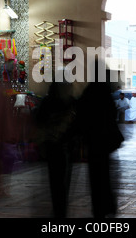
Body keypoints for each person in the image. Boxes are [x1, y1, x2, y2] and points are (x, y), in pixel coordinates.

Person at [74, 61, 124, 218]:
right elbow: (111, 115)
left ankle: (100, 209)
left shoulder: (90, 91)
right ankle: (107, 207)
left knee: (96, 178)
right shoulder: (104, 90)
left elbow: (81, 116)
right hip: (106, 143)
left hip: (94, 143)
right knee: (105, 176)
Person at [35, 82, 77, 217]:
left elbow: (39, 121)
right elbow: (77, 124)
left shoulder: (48, 101)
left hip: (52, 146)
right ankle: (61, 209)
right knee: (64, 180)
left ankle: (58, 208)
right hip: (65, 146)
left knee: (55, 181)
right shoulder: (71, 102)